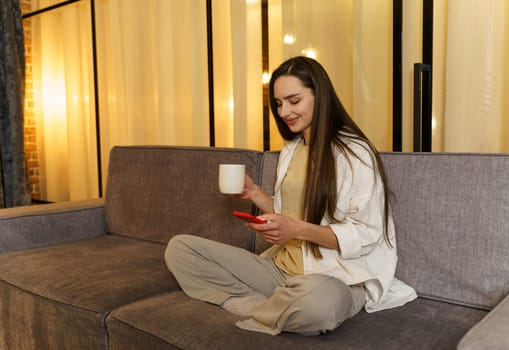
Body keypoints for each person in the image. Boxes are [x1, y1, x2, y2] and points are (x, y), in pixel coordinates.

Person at [165, 56, 416, 336]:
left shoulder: (354, 154)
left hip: (333, 277)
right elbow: (292, 214)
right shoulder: (292, 149)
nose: (284, 111)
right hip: (279, 271)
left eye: (294, 101)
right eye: (279, 103)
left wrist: (296, 230)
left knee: (318, 304)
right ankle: (277, 308)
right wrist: (255, 194)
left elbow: (366, 235)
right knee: (181, 249)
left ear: (319, 96)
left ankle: (269, 307)